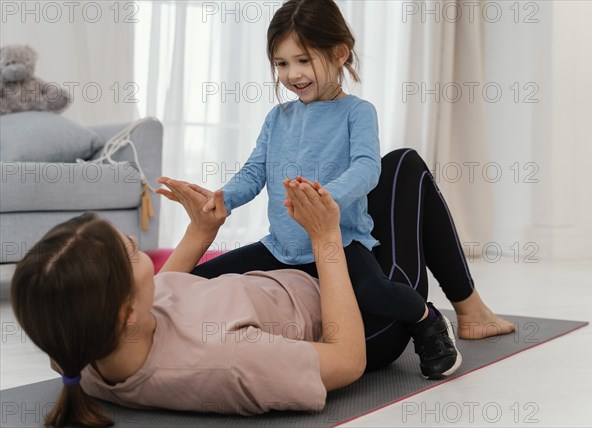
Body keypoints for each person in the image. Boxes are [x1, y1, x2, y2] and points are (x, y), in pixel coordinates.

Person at [172, 0, 514, 379]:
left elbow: (368, 168)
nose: (292, 74)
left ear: (339, 54)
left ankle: (428, 319)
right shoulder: (277, 118)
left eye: (303, 60)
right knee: (199, 281)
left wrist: (326, 199)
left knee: (373, 291)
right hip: (282, 248)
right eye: (282, 64)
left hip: (343, 240)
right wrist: (223, 198)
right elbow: (254, 171)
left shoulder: (357, 111)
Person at [11, 176, 365, 427]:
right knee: (401, 166)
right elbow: (348, 359)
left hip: (267, 284)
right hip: (336, 301)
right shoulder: (232, 361)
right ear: (127, 313)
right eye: (131, 250)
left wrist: (200, 231)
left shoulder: (78, 347)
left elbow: (161, 293)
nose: (136, 239)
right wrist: (325, 237)